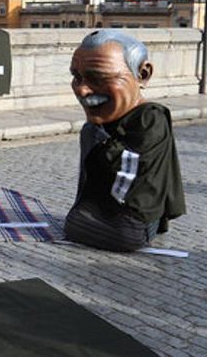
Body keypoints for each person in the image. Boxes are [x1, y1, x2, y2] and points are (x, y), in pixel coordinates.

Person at [63, 30, 186, 252]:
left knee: (81, 225)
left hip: (133, 217)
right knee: (76, 222)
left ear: (143, 74)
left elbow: (129, 177)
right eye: (77, 77)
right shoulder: (100, 122)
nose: (81, 89)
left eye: (99, 78)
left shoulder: (150, 119)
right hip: (110, 212)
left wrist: (98, 138)